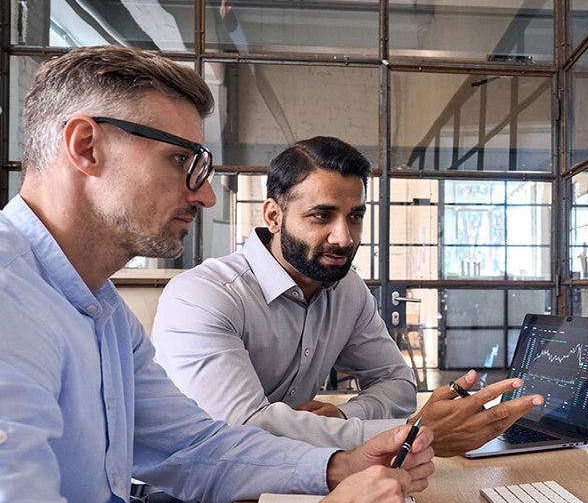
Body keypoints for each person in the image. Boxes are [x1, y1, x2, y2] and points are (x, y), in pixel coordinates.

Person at [0, 45, 436, 503]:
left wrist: (337, 464)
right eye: (181, 160)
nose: (206, 195)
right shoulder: (9, 300)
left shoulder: (101, 310)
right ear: (86, 146)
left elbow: (194, 447)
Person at [152, 137, 545, 454]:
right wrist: (411, 432)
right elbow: (243, 431)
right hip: (189, 496)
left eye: (355, 216)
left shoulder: (347, 288)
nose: (345, 238)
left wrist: (342, 420)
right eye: (321, 216)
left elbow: (397, 382)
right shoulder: (203, 296)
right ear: (273, 216)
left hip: (294, 474)